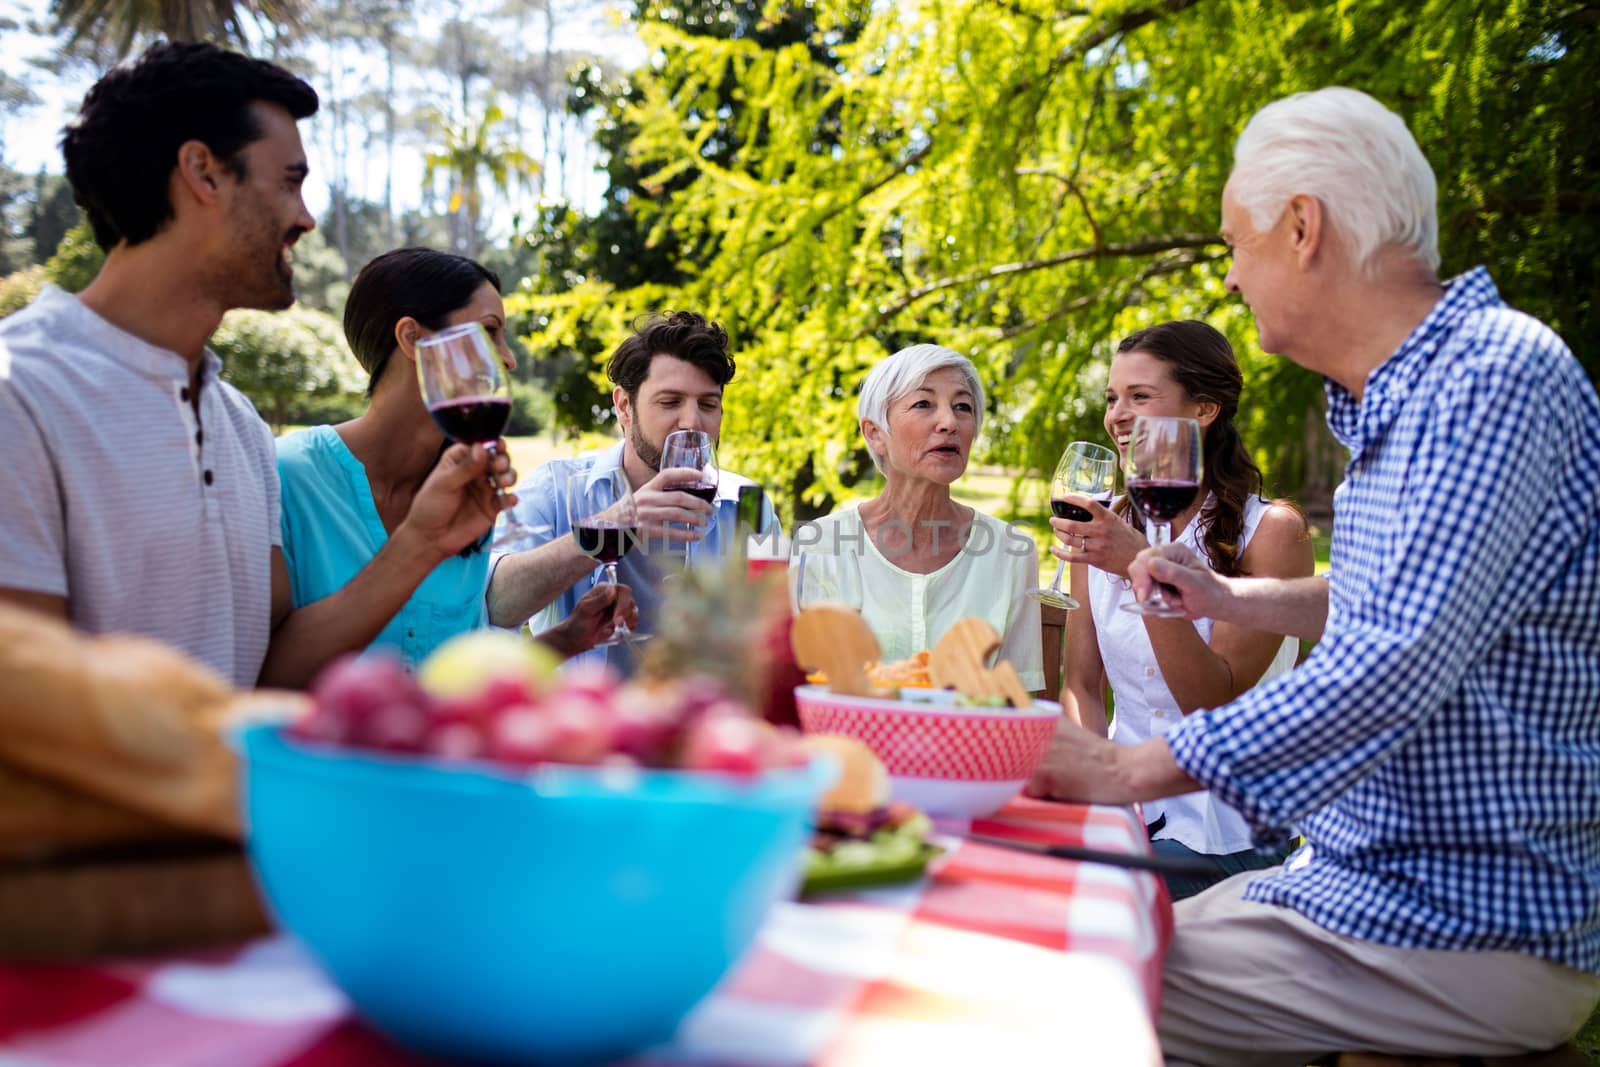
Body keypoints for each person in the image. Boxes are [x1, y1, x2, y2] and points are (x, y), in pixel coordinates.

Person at [1027, 87, 1600, 1064]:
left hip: (1456, 918)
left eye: (1235, 245)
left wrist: (1130, 768)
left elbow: (1401, 651)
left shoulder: (1492, 372)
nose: (1234, 279)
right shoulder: (1402, 399)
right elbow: (1401, 593)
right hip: (1350, 876)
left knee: (1060, 991)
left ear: (1302, 227)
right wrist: (1228, 594)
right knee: (1068, 927)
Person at [0, 42, 509, 689]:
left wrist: (420, 543)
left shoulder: (237, 424)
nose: (306, 217)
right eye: (290, 182)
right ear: (203, 173)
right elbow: (20, 709)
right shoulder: (20, 394)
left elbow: (267, 675)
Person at [271, 248, 636, 684]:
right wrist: (419, 545)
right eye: (489, 332)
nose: (508, 358)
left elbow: (451, 676)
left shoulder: (466, 493)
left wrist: (564, 640)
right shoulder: (289, 478)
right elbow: (262, 677)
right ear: (412, 339)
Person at [1043, 320, 1312, 899]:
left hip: (1226, 828)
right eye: (1113, 398)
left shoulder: (1271, 533)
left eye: (1140, 396)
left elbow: (1209, 698)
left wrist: (1141, 568)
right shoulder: (1103, 522)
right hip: (1123, 809)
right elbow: (1083, 687)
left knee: (1086, 903)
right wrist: (1099, 792)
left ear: (1204, 410)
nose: (1117, 414)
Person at [494, 310, 777, 672]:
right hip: (587, 722)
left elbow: (774, 632)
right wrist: (612, 528)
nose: (692, 422)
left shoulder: (749, 504)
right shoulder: (554, 489)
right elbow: (497, 603)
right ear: (624, 407)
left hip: (707, 722)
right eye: (670, 402)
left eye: (707, 405)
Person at [797, 344, 1044, 691]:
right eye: (923, 404)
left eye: (963, 407)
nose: (949, 423)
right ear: (874, 433)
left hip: (971, 744)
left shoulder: (1012, 552)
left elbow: (1020, 700)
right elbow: (809, 689)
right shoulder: (821, 546)